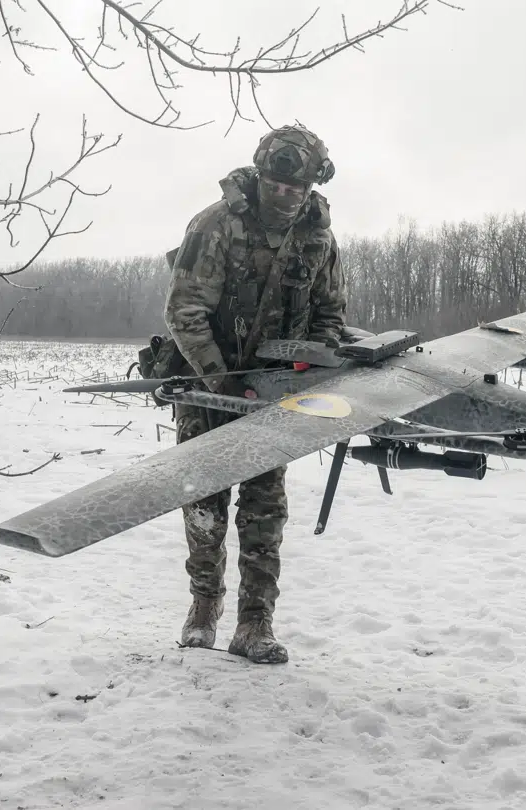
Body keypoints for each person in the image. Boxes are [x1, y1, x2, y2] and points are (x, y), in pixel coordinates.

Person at [161, 123, 347, 664]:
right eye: (275, 186)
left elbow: (331, 312)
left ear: (312, 187)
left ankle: (255, 623)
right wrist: (222, 381)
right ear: (260, 177)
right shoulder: (216, 225)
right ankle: (203, 608)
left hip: (274, 391)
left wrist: (308, 363)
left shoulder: (319, 237)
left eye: (296, 190)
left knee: (264, 508)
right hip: (208, 384)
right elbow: (184, 312)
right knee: (204, 500)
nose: (285, 197)